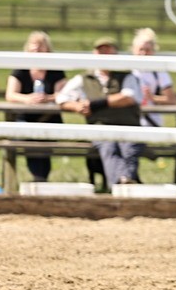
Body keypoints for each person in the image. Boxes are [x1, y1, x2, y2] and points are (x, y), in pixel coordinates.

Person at [56, 36, 145, 187]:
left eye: (108, 51)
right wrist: (77, 106)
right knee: (108, 147)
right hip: (100, 127)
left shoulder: (127, 75)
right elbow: (62, 98)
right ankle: (125, 183)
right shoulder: (84, 78)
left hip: (128, 126)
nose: (104, 55)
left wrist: (95, 104)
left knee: (129, 149)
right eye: (101, 51)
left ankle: (123, 184)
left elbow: (129, 97)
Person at [5, 31, 67, 182]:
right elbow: (10, 95)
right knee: (30, 137)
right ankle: (40, 178)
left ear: (48, 50)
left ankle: (39, 179)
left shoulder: (56, 71)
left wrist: (47, 98)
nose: (37, 51)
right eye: (34, 48)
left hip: (50, 119)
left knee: (42, 139)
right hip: (24, 119)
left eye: (40, 48)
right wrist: (27, 99)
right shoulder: (20, 71)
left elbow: (63, 94)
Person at [131, 28, 176, 127]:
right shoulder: (127, 70)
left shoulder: (159, 72)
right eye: (141, 49)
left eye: (147, 50)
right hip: (129, 119)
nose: (143, 53)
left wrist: (153, 98)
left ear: (153, 51)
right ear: (133, 50)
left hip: (151, 121)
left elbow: (172, 100)